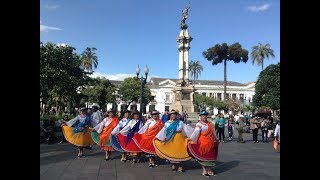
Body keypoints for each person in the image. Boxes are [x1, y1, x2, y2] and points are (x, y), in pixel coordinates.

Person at [188, 110, 218, 177]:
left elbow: (213, 132)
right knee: (203, 157)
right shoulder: (199, 124)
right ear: (200, 117)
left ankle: (209, 170)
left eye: (205, 115)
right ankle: (204, 170)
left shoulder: (209, 124)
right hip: (203, 143)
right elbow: (196, 132)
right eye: (202, 116)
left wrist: (216, 138)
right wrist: (192, 139)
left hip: (210, 142)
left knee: (210, 156)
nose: (204, 117)